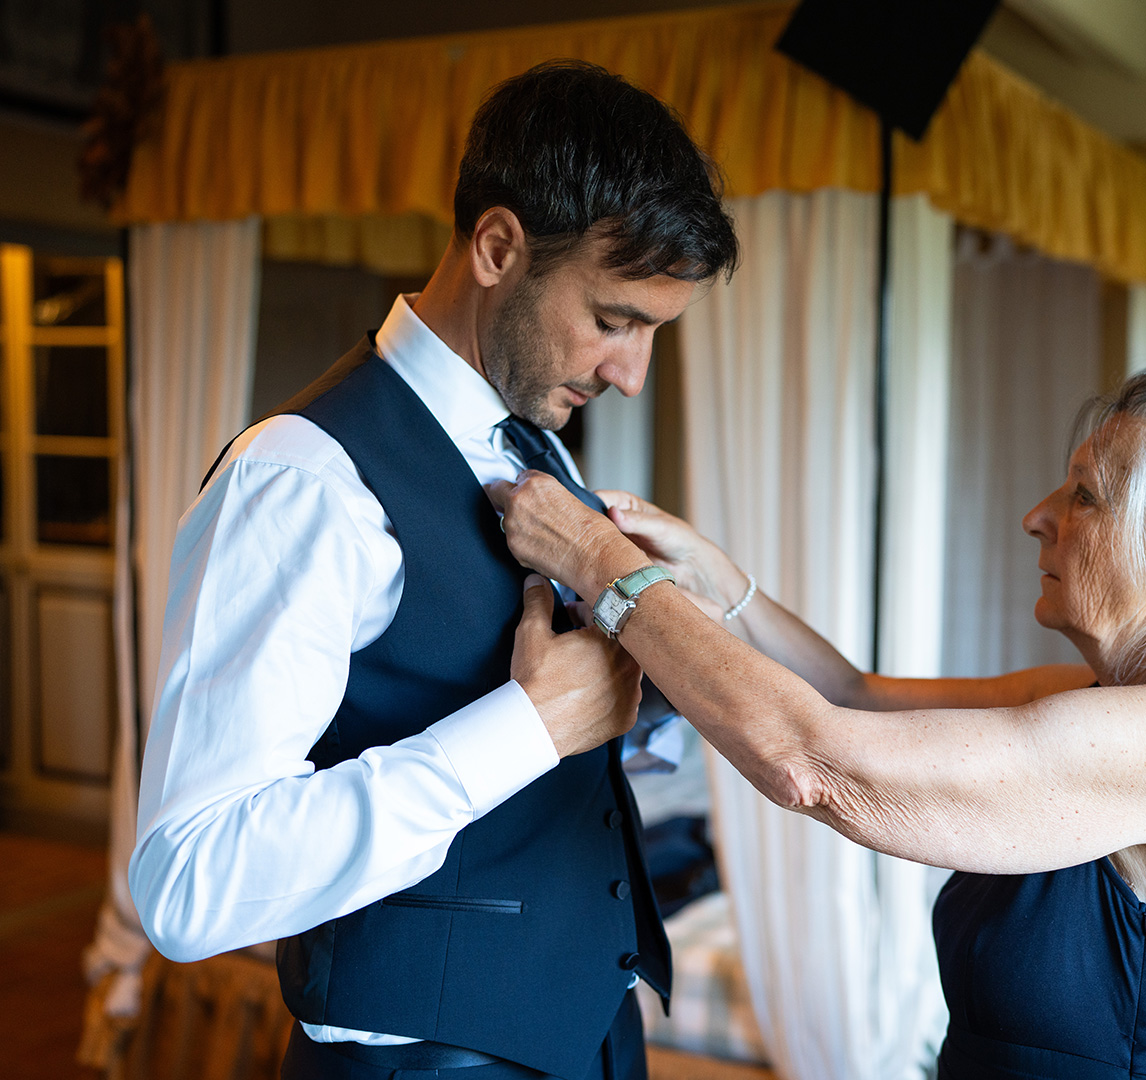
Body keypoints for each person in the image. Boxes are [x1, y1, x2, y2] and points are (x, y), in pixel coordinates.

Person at [128, 61, 738, 1080]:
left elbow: (507, 723)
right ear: (498, 247)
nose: (630, 376)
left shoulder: (536, 447)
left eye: (651, 332)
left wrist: (643, 694)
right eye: (613, 319)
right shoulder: (301, 480)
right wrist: (528, 727)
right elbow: (190, 880)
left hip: (591, 1033)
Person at [494, 364, 1146, 1080]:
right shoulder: (1121, 704)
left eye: (1086, 495)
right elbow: (854, 695)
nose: (1038, 516)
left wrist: (600, 564)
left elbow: (812, 757)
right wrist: (719, 583)